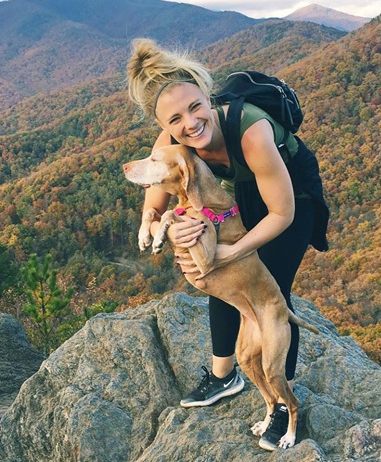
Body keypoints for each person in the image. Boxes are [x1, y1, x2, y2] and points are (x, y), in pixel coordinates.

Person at [126, 38, 329, 450]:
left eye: (196, 107)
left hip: (290, 193)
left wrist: (233, 251)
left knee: (269, 287)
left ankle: (281, 405)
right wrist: (155, 219)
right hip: (243, 192)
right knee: (221, 276)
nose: (190, 123)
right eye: (176, 119)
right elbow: (157, 185)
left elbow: (281, 213)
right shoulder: (172, 138)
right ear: (163, 124)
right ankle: (225, 376)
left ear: (208, 96)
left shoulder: (250, 130)